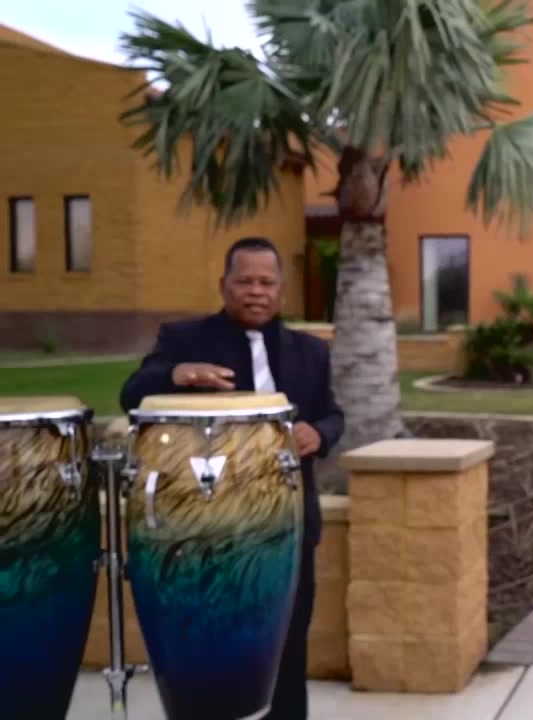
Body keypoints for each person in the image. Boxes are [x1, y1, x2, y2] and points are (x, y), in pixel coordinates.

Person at [120, 236, 344, 719]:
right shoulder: (184, 340)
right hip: (205, 527)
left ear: (281, 289)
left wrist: (319, 433)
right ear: (224, 285)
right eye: (245, 282)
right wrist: (178, 373)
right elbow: (132, 395)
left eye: (266, 282)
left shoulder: (310, 351)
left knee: (289, 641)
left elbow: (332, 414)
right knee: (210, 640)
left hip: (287, 524)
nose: (256, 291)